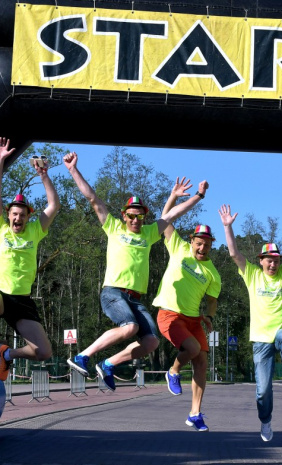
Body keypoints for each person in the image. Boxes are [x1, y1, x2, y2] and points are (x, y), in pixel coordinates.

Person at [63, 152, 208, 391]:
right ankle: (82, 356)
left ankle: (107, 364)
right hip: (113, 292)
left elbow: (173, 214)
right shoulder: (113, 227)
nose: (136, 220)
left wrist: (198, 196)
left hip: (135, 299)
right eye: (131, 216)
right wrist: (73, 169)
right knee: (129, 328)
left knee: (151, 342)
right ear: (124, 215)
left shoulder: (149, 233)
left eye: (140, 216)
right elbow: (93, 198)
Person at [218, 204, 282, 442]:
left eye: (276, 261)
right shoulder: (252, 275)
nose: (273, 265)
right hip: (260, 340)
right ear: (261, 261)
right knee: (262, 391)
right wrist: (228, 227)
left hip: (280, 332)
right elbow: (234, 254)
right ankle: (266, 420)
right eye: (269, 261)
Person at [153, 178, 221, 432]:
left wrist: (209, 316)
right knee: (191, 348)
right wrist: (174, 196)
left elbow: (212, 300)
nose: (202, 248)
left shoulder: (213, 272)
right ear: (191, 241)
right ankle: (173, 371)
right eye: (199, 243)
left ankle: (195, 413)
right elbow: (165, 218)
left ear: (211, 245)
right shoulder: (178, 247)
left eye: (207, 244)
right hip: (169, 314)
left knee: (201, 361)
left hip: (193, 320)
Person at [0, 137, 60, 381]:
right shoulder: (2, 229)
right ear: (8, 215)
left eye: (22, 215)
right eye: (14, 214)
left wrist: (43, 175)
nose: (18, 219)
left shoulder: (35, 230)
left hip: (22, 300)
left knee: (43, 351)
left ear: (28, 217)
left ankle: (5, 354)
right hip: (1, 293)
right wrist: (1, 161)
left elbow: (54, 205)